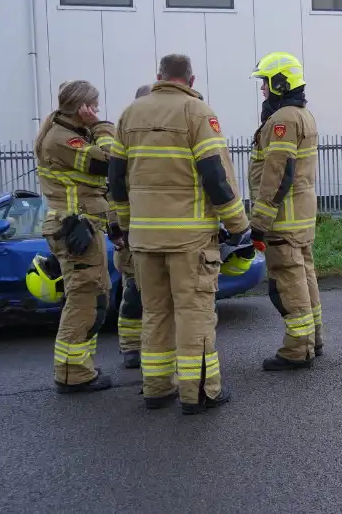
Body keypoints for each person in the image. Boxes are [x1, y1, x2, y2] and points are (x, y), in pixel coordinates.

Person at [110, 55, 248, 415]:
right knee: (194, 313)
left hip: (143, 239)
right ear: (190, 79)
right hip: (190, 239)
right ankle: (199, 392)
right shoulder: (197, 112)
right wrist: (238, 226)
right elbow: (215, 174)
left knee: (155, 312)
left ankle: (156, 388)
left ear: (158, 77)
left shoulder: (129, 114)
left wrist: (125, 226)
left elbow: (116, 179)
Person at [35, 80, 119, 393]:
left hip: (81, 225)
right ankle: (72, 373)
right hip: (74, 228)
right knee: (84, 298)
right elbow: (110, 162)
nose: (96, 111)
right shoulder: (63, 140)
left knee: (92, 295)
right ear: (81, 108)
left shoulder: (65, 134)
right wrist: (101, 126)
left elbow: (92, 190)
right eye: (93, 107)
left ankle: (78, 366)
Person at [248, 52, 323, 371]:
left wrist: (260, 221)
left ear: (280, 83)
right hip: (301, 214)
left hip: (283, 217)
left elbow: (277, 172)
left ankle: (297, 348)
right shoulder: (302, 114)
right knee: (304, 276)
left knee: (287, 283)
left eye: (265, 82)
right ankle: (313, 338)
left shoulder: (282, 120)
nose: (262, 89)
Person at [113, 84, 152, 369]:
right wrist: (117, 229)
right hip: (133, 233)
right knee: (133, 294)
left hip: (153, 231)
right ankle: (131, 347)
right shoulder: (124, 136)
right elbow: (113, 188)